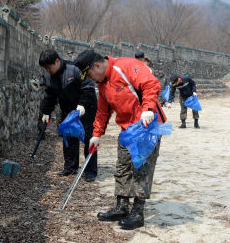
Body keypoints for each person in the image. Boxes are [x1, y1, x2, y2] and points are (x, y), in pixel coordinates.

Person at [74, 50, 166, 230]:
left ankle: (138, 212)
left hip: (147, 126)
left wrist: (147, 108)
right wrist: (96, 134)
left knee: (141, 168)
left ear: (97, 65)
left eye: (90, 74)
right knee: (123, 167)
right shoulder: (102, 84)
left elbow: (151, 84)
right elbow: (103, 110)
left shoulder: (126, 66)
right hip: (127, 129)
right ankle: (121, 207)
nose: (90, 78)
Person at [39, 49, 98, 182]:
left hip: (86, 109)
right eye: (45, 68)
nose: (47, 70)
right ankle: (70, 167)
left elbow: (88, 87)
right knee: (69, 137)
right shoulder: (49, 77)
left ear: (57, 61)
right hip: (68, 110)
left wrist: (83, 104)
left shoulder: (75, 70)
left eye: (49, 67)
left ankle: (90, 171)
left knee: (89, 138)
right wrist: (46, 112)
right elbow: (49, 96)